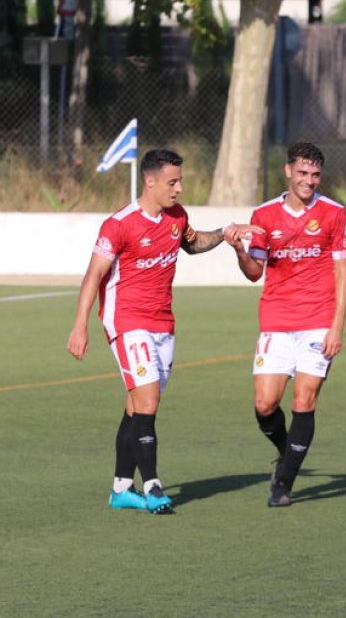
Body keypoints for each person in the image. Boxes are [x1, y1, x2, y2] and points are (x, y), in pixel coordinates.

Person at [67, 148, 259, 515]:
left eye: (180, 181)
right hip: (126, 321)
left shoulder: (176, 217)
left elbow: (191, 242)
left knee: (136, 406)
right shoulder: (119, 224)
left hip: (162, 323)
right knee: (149, 403)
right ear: (150, 181)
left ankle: (122, 488)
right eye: (172, 182)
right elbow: (93, 275)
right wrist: (80, 326)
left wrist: (224, 234)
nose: (179, 188)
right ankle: (153, 486)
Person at [229, 141, 346, 508]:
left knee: (304, 398)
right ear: (288, 172)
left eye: (315, 175)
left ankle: (283, 484)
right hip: (276, 321)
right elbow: (255, 273)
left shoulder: (334, 214)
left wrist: (337, 327)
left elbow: (343, 276)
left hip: (318, 321)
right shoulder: (265, 215)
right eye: (302, 173)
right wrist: (239, 249)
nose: (309, 181)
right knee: (265, 404)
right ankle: (288, 453)